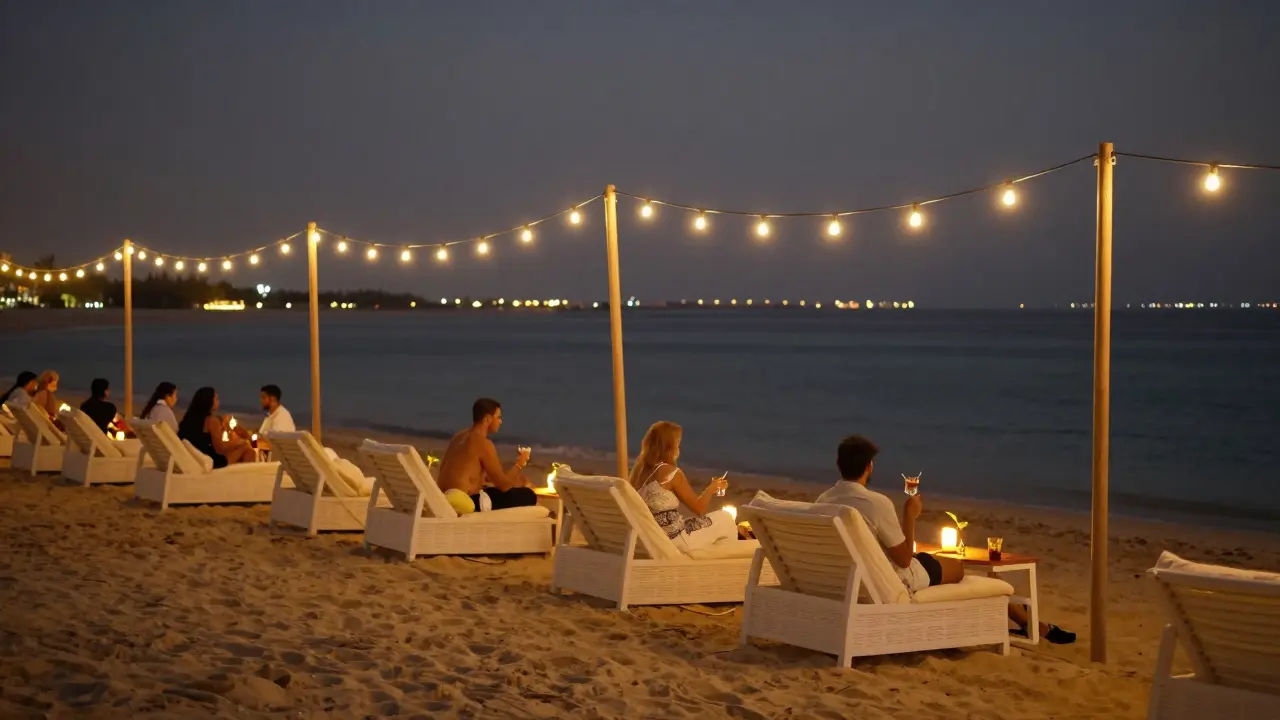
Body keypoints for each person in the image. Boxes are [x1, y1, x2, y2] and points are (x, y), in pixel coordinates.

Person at [818, 435, 1075, 644]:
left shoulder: (824, 501)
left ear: (838, 462)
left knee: (939, 563)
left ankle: (1028, 621)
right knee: (960, 568)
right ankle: (1030, 623)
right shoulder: (875, 503)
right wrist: (910, 516)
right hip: (891, 579)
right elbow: (905, 560)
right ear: (869, 467)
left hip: (846, 580)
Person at [629, 421, 742, 551]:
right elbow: (699, 508)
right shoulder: (672, 473)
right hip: (674, 540)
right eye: (677, 442)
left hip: (652, 537)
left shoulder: (638, 471)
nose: (679, 447)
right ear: (670, 445)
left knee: (713, 522)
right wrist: (712, 488)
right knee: (726, 518)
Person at [436, 398, 537, 511]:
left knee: (496, 489)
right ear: (488, 419)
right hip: (466, 501)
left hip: (444, 497)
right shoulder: (483, 443)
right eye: (498, 417)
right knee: (528, 495)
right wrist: (520, 463)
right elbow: (504, 485)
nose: (500, 421)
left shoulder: (458, 437)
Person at [178, 387, 256, 467]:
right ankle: (245, 476)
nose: (218, 401)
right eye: (217, 399)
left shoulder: (188, 420)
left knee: (241, 448)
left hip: (196, 459)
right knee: (245, 447)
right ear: (209, 401)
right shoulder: (211, 420)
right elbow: (220, 449)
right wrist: (239, 442)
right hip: (211, 462)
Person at [254, 384, 295, 451]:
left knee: (242, 447)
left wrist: (253, 444)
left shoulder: (282, 416)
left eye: (263, 398)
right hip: (263, 453)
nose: (261, 401)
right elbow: (259, 438)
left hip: (275, 456)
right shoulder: (269, 417)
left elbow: (275, 443)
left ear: (273, 398)